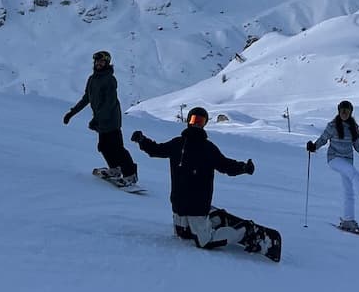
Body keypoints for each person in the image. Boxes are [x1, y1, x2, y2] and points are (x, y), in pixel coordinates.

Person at [130, 107, 280, 261]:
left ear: (204, 124)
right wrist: (142, 140)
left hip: (197, 205)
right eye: (194, 120)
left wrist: (243, 167)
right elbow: (156, 150)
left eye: (200, 121)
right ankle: (215, 218)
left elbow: (225, 165)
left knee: (205, 242)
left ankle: (246, 230)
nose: (196, 124)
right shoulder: (178, 144)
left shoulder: (208, 149)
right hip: (179, 203)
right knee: (183, 235)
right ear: (188, 121)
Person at [63, 50, 138, 187]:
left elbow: (109, 104)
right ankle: (115, 169)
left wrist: (97, 119)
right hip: (101, 121)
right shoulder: (92, 79)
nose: (99, 64)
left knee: (117, 148)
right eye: (97, 61)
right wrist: (71, 113)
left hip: (111, 120)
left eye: (102, 62)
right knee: (103, 146)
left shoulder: (109, 79)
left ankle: (131, 174)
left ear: (107, 63)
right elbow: (87, 98)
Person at [307, 99, 359, 234]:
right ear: (339, 111)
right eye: (342, 110)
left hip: (348, 159)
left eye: (347, 111)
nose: (344, 113)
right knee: (351, 171)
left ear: (351, 112)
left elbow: (358, 146)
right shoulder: (332, 126)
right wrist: (313, 146)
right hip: (334, 158)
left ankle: (348, 220)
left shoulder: (353, 128)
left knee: (348, 190)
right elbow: (323, 139)